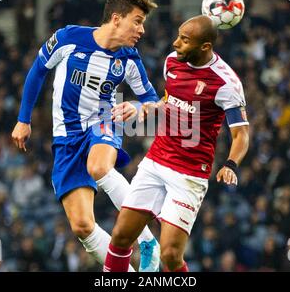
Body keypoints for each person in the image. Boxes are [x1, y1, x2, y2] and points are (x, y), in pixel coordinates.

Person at [11, 0, 161, 272]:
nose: (141, 29)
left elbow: (151, 99)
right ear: (116, 19)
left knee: (99, 167)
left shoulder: (129, 58)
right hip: (66, 137)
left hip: (103, 120)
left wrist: (140, 109)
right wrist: (23, 119)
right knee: (82, 226)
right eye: (137, 21)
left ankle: (147, 242)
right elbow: (38, 69)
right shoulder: (69, 38)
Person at [103, 15, 250, 272]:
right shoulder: (172, 62)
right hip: (156, 161)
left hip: (190, 174)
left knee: (170, 255)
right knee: (121, 236)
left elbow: (241, 135)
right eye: (178, 36)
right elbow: (169, 101)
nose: (175, 43)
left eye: (184, 39)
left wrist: (230, 164)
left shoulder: (226, 83)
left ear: (205, 46)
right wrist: (144, 107)